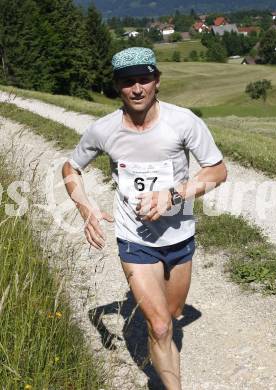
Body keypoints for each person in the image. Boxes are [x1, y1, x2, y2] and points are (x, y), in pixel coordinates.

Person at [62, 47, 227, 390]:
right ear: (116, 87)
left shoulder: (183, 122)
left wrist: (173, 195)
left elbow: (218, 170)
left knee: (174, 315)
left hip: (179, 236)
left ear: (157, 82)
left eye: (144, 80)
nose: (137, 89)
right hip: (134, 240)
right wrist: (86, 208)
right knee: (161, 326)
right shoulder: (104, 130)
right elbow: (71, 167)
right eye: (127, 82)